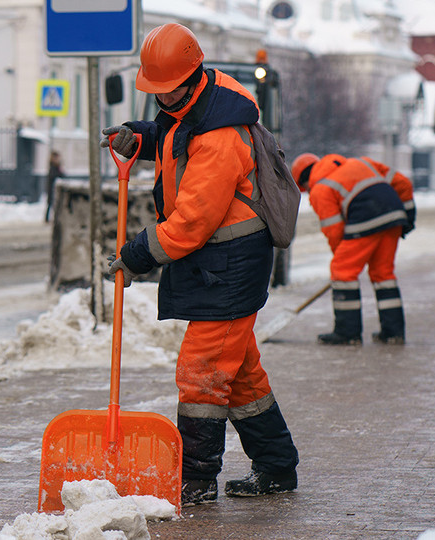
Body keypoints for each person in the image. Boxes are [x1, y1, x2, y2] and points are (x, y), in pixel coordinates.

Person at [100, 23, 299, 507]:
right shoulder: (198, 103)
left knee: (202, 371)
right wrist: (139, 138)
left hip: (229, 263)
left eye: (169, 94)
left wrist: (136, 254)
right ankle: (276, 467)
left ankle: (195, 479)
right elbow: (173, 136)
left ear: (192, 77)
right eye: (157, 95)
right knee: (243, 374)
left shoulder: (220, 136)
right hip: (218, 262)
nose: (163, 103)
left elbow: (191, 223)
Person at [290, 153, 416, 346]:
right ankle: (393, 333)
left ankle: (347, 334)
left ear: (304, 182)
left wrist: (344, 257)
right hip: (394, 216)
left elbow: (334, 230)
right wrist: (408, 216)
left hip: (365, 218)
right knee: (383, 274)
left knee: (342, 271)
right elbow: (403, 182)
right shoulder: (360, 162)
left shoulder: (320, 189)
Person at [44, 150, 65, 222]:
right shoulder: (53, 167)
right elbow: (56, 176)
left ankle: (50, 218)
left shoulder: (56, 166)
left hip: (54, 187)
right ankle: (49, 218)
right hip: (52, 188)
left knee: (52, 204)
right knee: (51, 203)